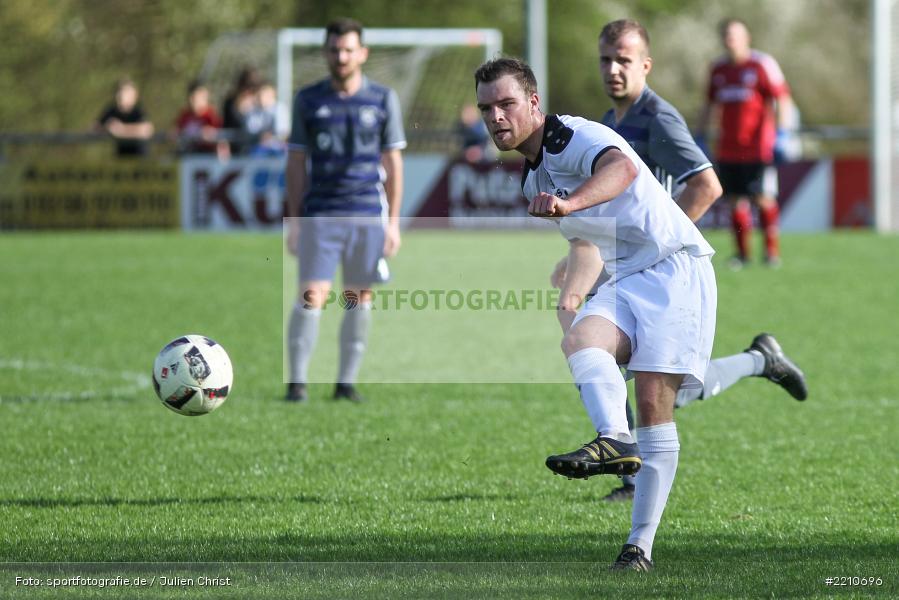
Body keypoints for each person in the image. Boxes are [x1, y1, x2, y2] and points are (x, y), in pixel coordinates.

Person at [475, 56, 718, 572]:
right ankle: (615, 439)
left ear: (534, 103)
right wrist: (572, 285)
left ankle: (639, 547)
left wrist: (569, 204)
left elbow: (622, 169)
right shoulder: (531, 178)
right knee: (581, 340)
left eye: (506, 104)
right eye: (486, 109)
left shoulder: (571, 136)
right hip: (627, 275)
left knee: (653, 403)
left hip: (674, 268)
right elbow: (589, 239)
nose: (495, 117)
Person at [552, 20, 807, 504]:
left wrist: (656, 245)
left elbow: (707, 187)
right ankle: (759, 360)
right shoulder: (608, 123)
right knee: (633, 371)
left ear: (645, 65)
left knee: (641, 375)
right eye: (605, 59)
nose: (613, 69)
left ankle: (631, 473)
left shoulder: (659, 118)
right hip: (631, 268)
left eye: (624, 60)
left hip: (663, 274)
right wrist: (580, 256)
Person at [284, 18, 405, 403]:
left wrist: (393, 224)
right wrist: (294, 221)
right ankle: (297, 384)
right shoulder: (307, 100)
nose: (341, 57)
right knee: (312, 294)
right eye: (335, 50)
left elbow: (393, 164)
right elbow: (296, 163)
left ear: (362, 53)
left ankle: (345, 384)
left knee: (358, 297)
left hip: (367, 214)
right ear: (326, 53)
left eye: (348, 50)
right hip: (321, 215)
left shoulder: (382, 99)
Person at [697, 18, 795, 269]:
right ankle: (742, 255)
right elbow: (709, 104)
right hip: (728, 149)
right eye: (727, 35)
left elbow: (782, 99)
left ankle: (771, 253)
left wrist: (782, 133)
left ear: (746, 38)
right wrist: (700, 135)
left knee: (763, 198)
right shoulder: (718, 69)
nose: (730, 40)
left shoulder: (761, 64)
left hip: (758, 148)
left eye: (735, 35)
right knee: (735, 201)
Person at [95, 78, 154, 157]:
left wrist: (122, 130)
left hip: (140, 156)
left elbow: (147, 130)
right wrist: (107, 128)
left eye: (125, 93)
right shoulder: (112, 110)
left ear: (134, 95)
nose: (121, 96)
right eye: (120, 92)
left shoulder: (138, 110)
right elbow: (96, 127)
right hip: (121, 156)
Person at [174, 81, 229, 159]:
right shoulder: (185, 115)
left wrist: (210, 134)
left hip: (207, 155)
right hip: (189, 154)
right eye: (193, 98)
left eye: (199, 98)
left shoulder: (211, 115)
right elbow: (176, 130)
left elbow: (220, 136)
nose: (195, 101)